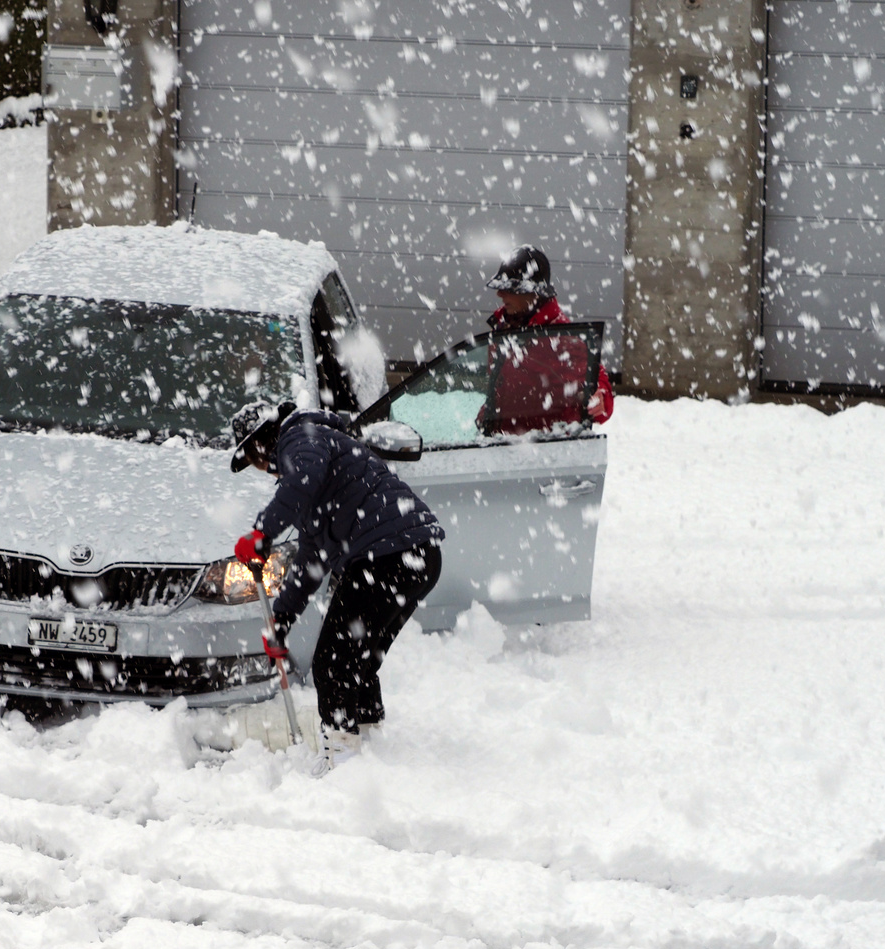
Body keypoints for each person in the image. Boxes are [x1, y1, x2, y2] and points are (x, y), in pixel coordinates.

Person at [227, 401, 445, 769]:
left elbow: (302, 479)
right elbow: (312, 558)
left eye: (255, 459)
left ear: (262, 442)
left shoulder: (301, 436)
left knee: (332, 661)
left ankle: (342, 763)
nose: (262, 470)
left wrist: (262, 533)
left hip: (389, 553)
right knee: (358, 659)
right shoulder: (316, 465)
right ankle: (369, 750)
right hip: (416, 556)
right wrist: (282, 617)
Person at [483, 245, 614, 429]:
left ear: (533, 292)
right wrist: (488, 416)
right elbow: (502, 388)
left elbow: (597, 382)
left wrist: (600, 397)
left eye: (508, 288)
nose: (499, 294)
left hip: (540, 449)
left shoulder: (560, 337)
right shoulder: (504, 328)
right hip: (505, 445)